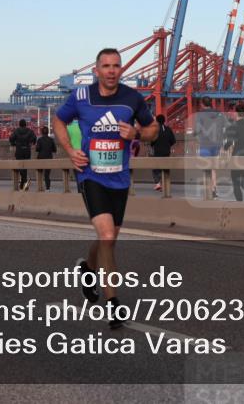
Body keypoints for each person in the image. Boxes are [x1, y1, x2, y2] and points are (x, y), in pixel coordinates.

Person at [53, 48, 157, 330]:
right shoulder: (81, 97)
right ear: (96, 70)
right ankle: (113, 305)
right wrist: (70, 150)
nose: (111, 70)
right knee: (108, 235)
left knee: (108, 239)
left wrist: (136, 133)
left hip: (120, 178)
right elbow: (58, 119)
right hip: (90, 175)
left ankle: (87, 269)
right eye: (106, 66)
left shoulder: (132, 98)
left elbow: (153, 130)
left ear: (121, 70)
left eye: (116, 66)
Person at [194, 96, 227, 199]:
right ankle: (213, 189)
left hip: (205, 143)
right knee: (213, 168)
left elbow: (197, 129)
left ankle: (207, 190)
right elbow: (224, 126)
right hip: (217, 144)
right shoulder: (219, 114)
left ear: (202, 104)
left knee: (205, 168)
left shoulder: (200, 115)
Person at [9, 118, 37, 191]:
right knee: (25, 166)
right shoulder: (30, 131)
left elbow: (11, 138)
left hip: (19, 150)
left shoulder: (16, 131)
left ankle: (23, 181)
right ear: (25, 124)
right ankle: (24, 182)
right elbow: (34, 138)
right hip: (27, 150)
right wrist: (32, 143)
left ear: (19, 124)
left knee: (19, 165)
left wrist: (14, 144)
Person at [150, 114, 176, 192]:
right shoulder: (168, 129)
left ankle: (158, 184)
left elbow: (152, 142)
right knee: (165, 168)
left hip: (157, 152)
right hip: (166, 152)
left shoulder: (155, 130)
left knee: (156, 168)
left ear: (157, 121)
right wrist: (167, 145)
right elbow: (173, 141)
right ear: (164, 121)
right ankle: (166, 184)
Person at [36, 125, 57, 191]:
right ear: (48, 132)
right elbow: (54, 150)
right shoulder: (51, 140)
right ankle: (48, 188)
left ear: (42, 132)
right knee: (47, 175)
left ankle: (40, 187)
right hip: (48, 158)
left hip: (40, 158)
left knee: (40, 173)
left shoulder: (39, 140)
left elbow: (37, 149)